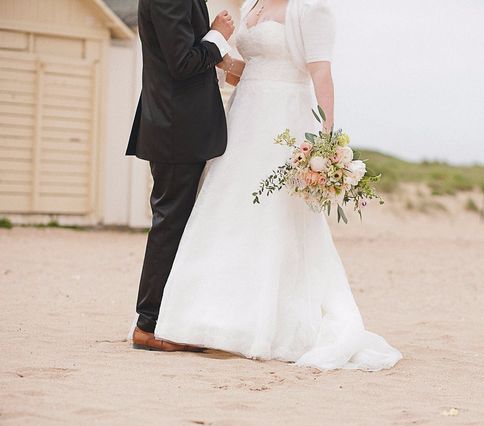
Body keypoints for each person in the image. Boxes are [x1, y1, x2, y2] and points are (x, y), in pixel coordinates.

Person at [151, 0, 402, 371]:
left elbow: (321, 74)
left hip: (283, 120)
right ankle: (204, 318)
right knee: (227, 210)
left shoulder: (311, 9)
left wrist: (327, 141)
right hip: (243, 118)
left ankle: (263, 323)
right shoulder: (254, 4)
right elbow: (247, 68)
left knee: (271, 216)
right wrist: (223, 59)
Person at [126, 0, 235, 351]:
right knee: (170, 224)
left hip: (182, 127)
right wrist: (217, 36)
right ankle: (148, 325)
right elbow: (182, 62)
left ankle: (167, 319)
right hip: (176, 129)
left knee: (177, 224)